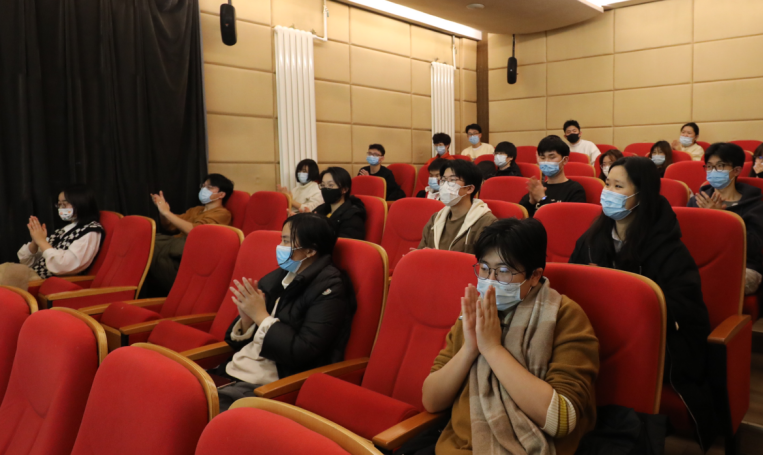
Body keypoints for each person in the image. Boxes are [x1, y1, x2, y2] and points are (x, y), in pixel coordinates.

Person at [569, 156, 715, 450]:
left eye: (618, 186)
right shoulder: (593, 237)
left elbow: (684, 309)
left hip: (652, 339)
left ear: (642, 194)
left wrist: (624, 292)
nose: (607, 192)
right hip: (598, 329)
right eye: (607, 184)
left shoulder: (668, 247)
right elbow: (572, 284)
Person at [421, 218, 599, 455]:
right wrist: (470, 349)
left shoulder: (564, 316)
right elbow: (431, 400)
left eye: (504, 271)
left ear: (534, 276)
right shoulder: (476, 313)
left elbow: (561, 419)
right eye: (484, 268)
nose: (490, 281)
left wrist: (493, 349)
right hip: (458, 447)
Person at [215, 213, 356, 411]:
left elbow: (303, 350)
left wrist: (260, 316)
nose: (280, 246)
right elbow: (237, 344)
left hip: (268, 384)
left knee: (197, 412)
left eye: (287, 241)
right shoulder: (281, 276)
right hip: (234, 370)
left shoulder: (330, 287)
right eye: (281, 239)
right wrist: (247, 320)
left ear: (310, 251)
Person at [688, 143, 763, 295]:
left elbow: (753, 247)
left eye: (720, 166)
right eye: (709, 166)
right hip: (702, 262)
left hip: (742, 265)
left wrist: (721, 220)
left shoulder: (755, 205)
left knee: (719, 282)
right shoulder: (696, 201)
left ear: (737, 170)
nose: (713, 171)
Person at [0, 184, 104, 291]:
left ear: (81, 203)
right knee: (6, 269)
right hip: (34, 274)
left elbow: (65, 265)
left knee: (7, 274)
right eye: (59, 204)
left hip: (49, 282)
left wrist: (42, 241)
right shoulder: (64, 230)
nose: (61, 208)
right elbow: (26, 261)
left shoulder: (90, 231)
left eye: (64, 204)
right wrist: (35, 242)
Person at [146, 174, 233, 295]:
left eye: (209, 187)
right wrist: (162, 210)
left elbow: (196, 232)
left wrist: (167, 213)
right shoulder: (196, 210)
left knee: (150, 247)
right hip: (176, 245)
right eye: (203, 186)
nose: (204, 190)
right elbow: (170, 226)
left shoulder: (223, 214)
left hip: (191, 249)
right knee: (146, 239)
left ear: (221, 194)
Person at [418, 160, 497, 254]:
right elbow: (420, 253)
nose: (445, 185)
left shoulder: (487, 223)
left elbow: (486, 260)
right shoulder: (436, 218)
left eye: (452, 180)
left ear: (469, 188)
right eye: (443, 180)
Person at [519, 135, 586, 217]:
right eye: (542, 158)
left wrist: (542, 199)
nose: (546, 161)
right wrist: (530, 202)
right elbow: (520, 218)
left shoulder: (575, 189)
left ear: (565, 160)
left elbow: (570, 219)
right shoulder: (538, 188)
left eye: (552, 157)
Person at [313, 167, 366, 240]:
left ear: (344, 189)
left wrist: (318, 229)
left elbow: (344, 244)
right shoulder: (321, 209)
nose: (325, 189)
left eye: (330, 185)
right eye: (323, 185)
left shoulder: (352, 218)